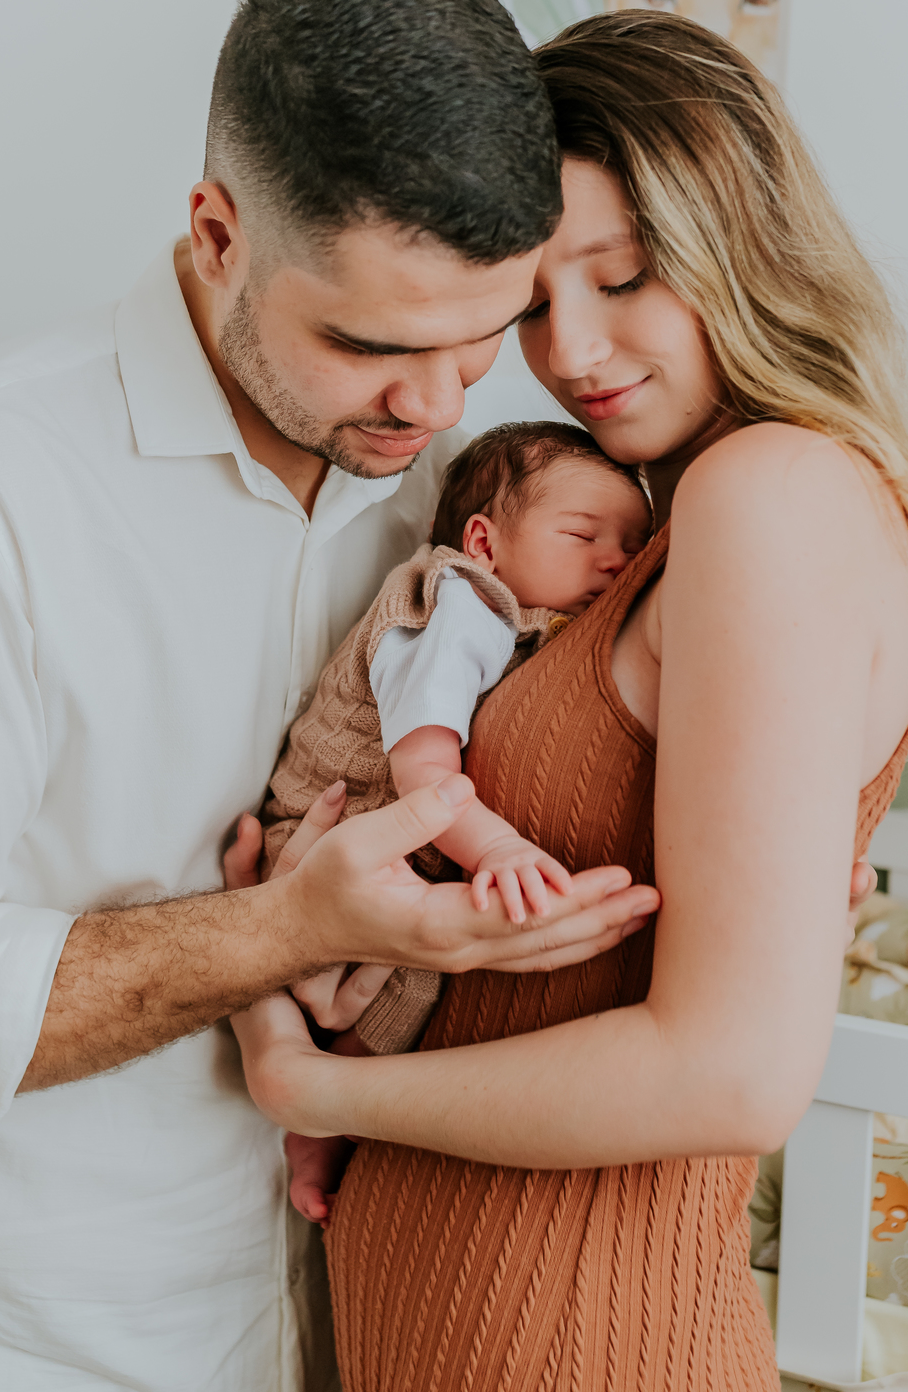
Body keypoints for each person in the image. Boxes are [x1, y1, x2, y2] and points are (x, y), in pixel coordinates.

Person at [232, 9, 908, 1392]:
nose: (571, 351)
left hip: (579, 1338)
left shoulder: (767, 494)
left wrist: (320, 1087)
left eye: (626, 275)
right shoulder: (649, 524)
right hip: (470, 1323)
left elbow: (734, 1070)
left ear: (741, 244)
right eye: (534, 301)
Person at [0, 0, 661, 1391]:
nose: (435, 402)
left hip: (358, 1322)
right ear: (215, 231)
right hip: (30, 1347)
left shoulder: (456, 490)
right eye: (372, 343)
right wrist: (276, 928)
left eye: (480, 340)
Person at [266, 420, 652, 1223]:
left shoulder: (527, 617)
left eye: (631, 542)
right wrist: (499, 846)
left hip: (387, 835)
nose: (614, 559)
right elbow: (424, 778)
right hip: (336, 826)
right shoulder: (457, 606)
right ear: (483, 539)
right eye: (583, 534)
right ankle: (319, 1116)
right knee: (410, 976)